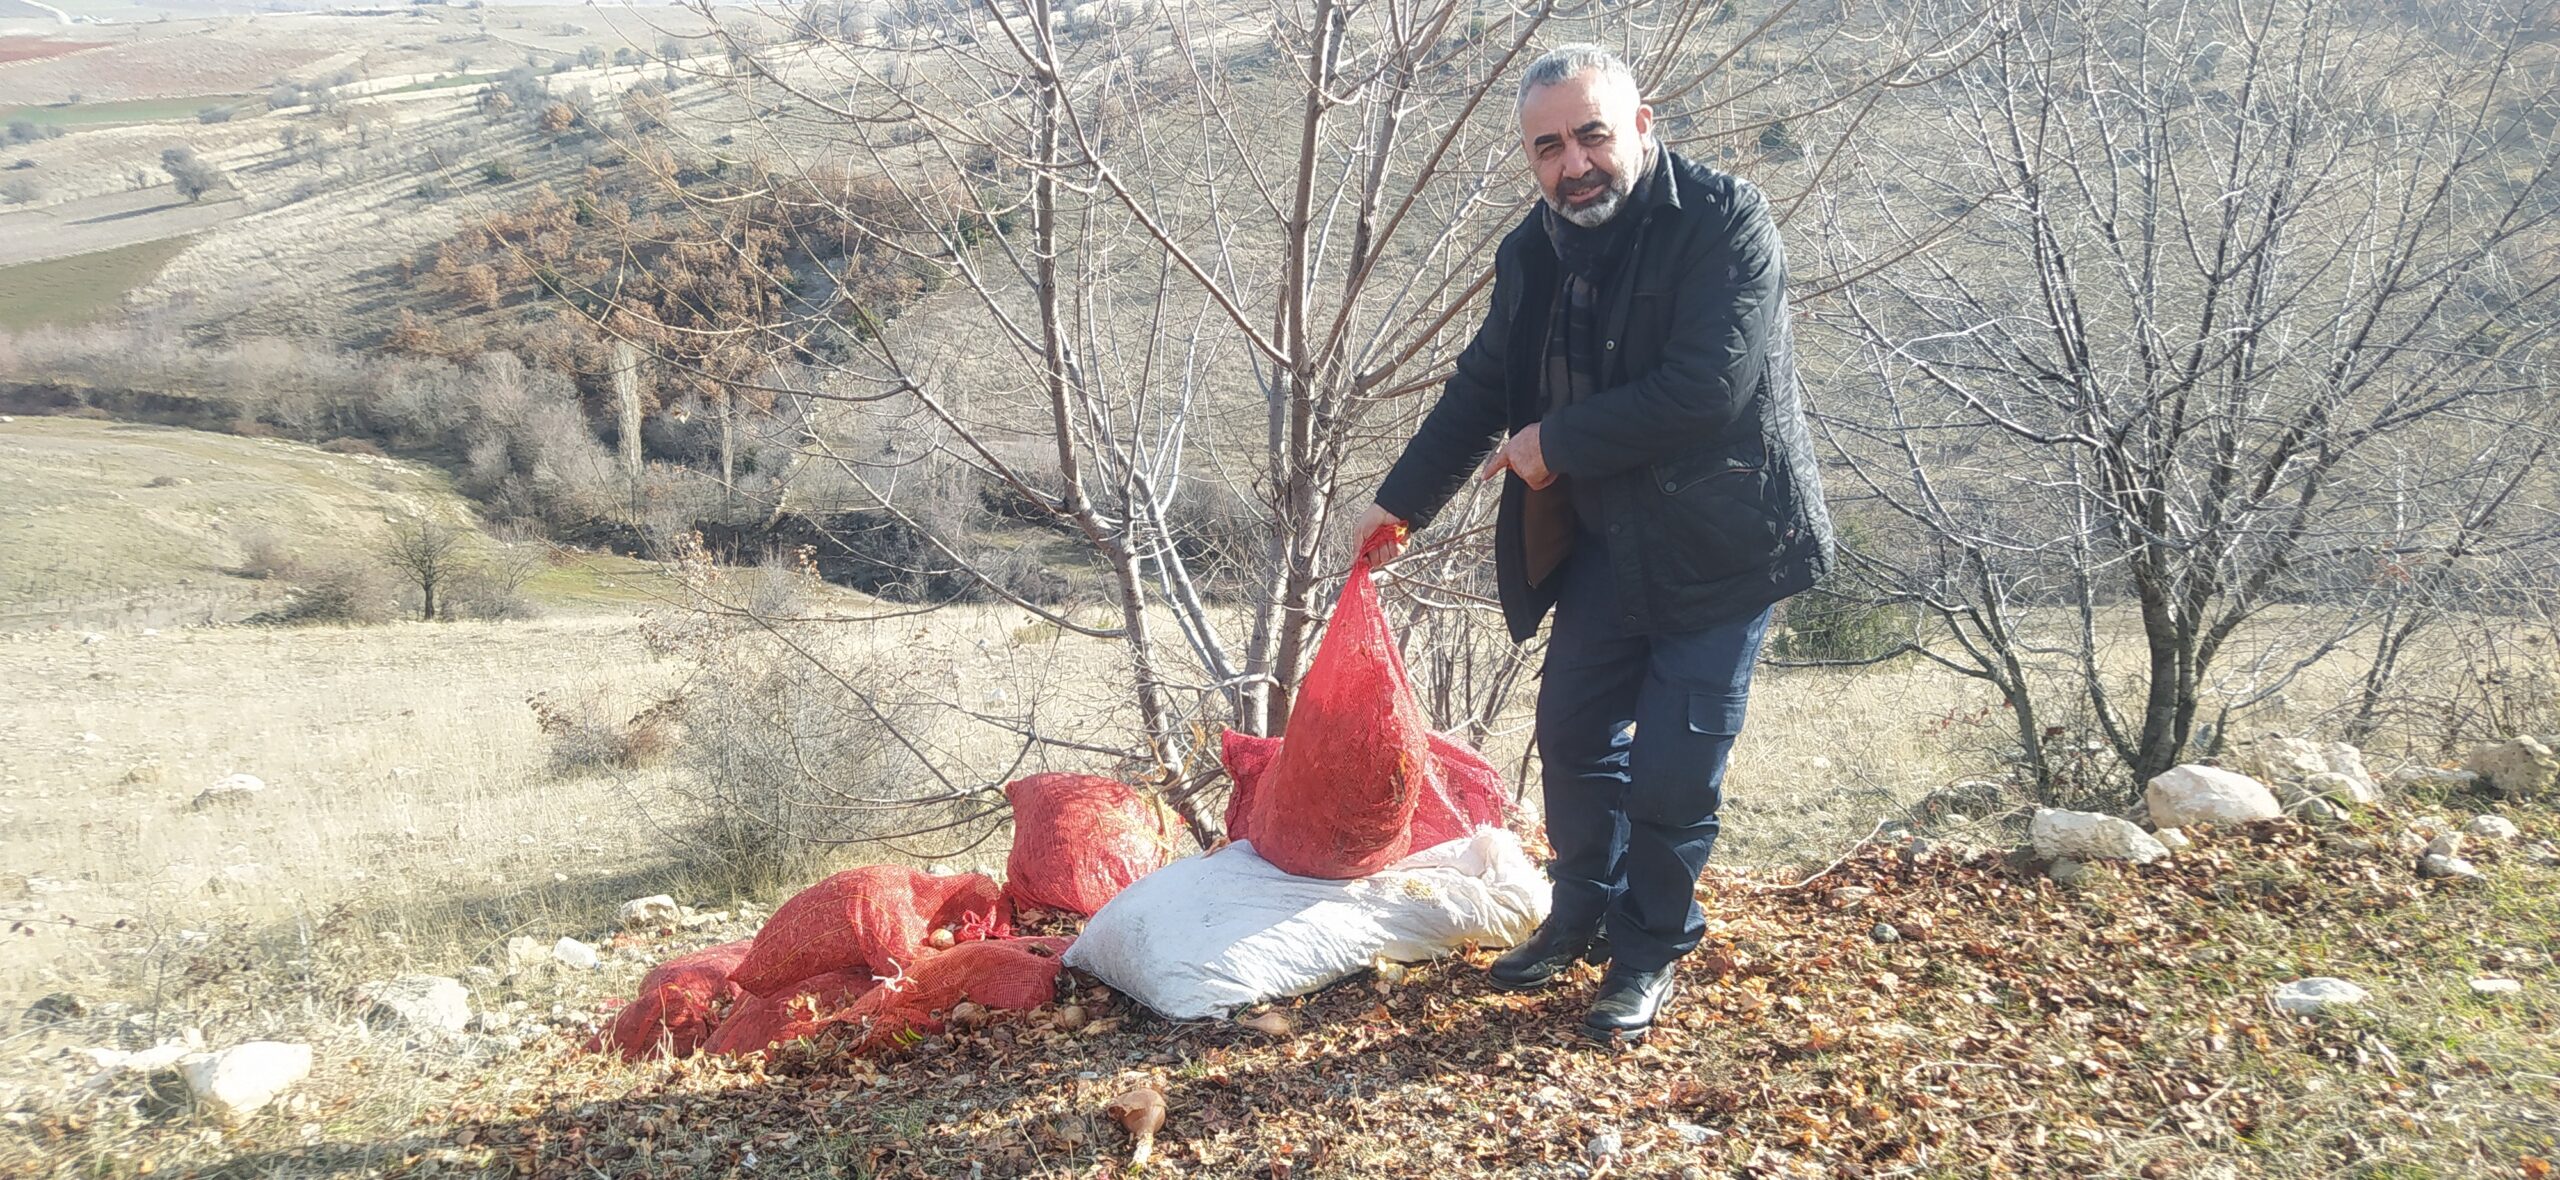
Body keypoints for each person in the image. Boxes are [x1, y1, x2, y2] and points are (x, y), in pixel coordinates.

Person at [1353, 44, 1833, 1043]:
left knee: (1673, 769)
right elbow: (1484, 383)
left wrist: (1554, 442)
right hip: (1610, 542)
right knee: (1572, 736)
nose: (1573, 164)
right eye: (1548, 147)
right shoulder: (1533, 249)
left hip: (1724, 546)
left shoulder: (1723, 221)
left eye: (1591, 135)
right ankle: (1579, 915)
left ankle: (1649, 948)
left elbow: (1710, 388)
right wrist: (1400, 501)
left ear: (1641, 125)